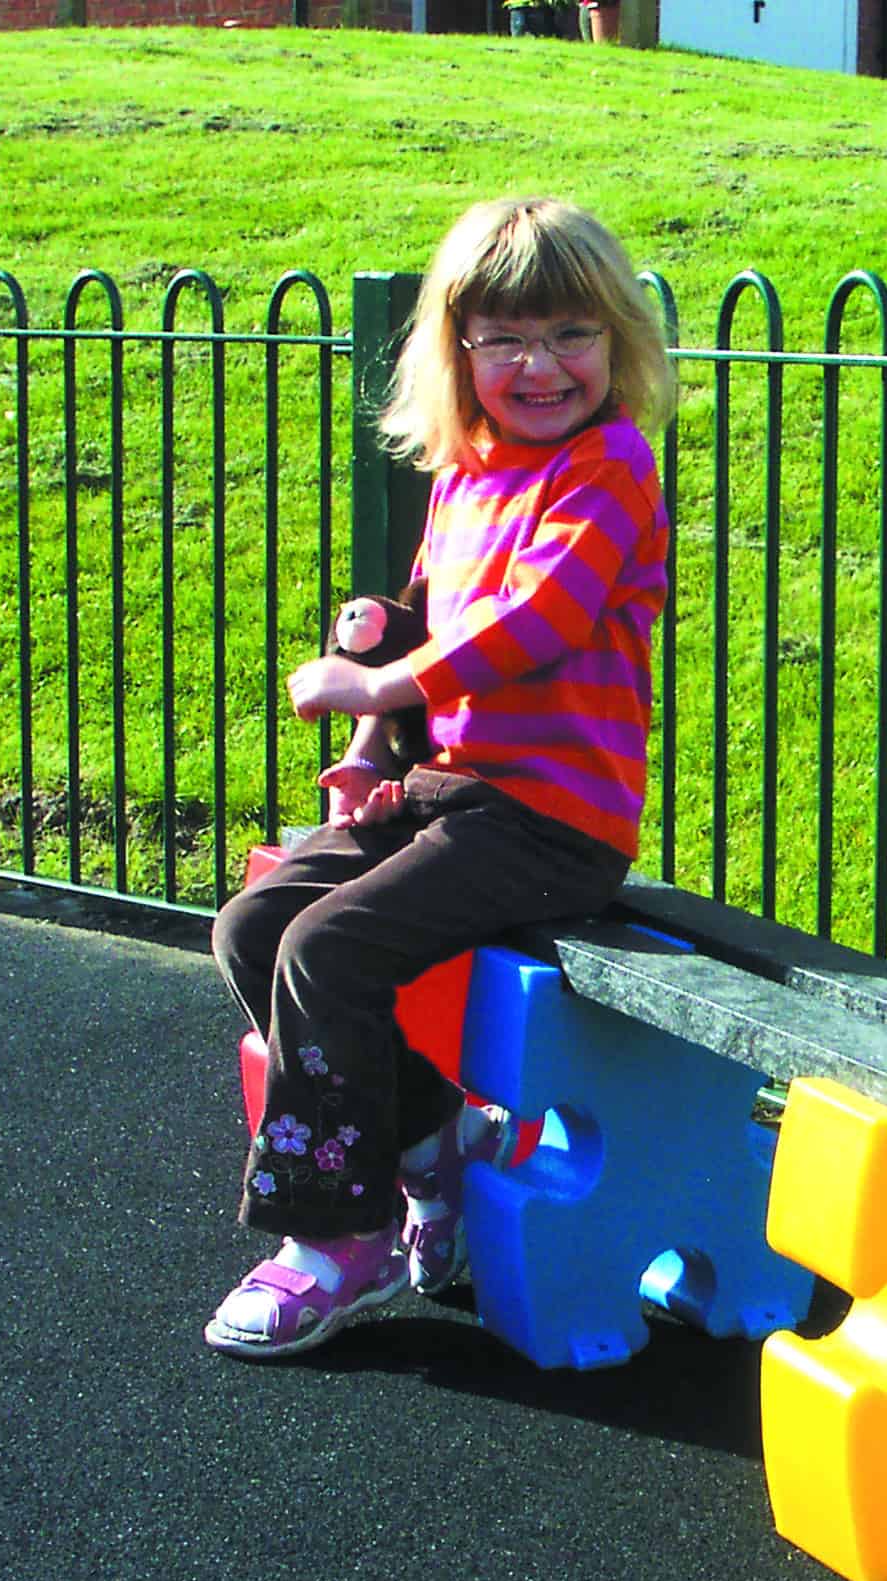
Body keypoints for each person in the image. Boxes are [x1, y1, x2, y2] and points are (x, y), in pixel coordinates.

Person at [205, 196, 674, 1359]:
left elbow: (538, 621)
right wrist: (371, 754)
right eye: (503, 337)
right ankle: (422, 1141)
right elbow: (419, 619)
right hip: (446, 793)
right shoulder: (467, 476)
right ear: (456, 352)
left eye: (570, 333)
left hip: (551, 818)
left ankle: (336, 1234)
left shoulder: (608, 466)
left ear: (616, 342)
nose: (538, 364)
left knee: (331, 949)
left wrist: (376, 692)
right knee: (257, 922)